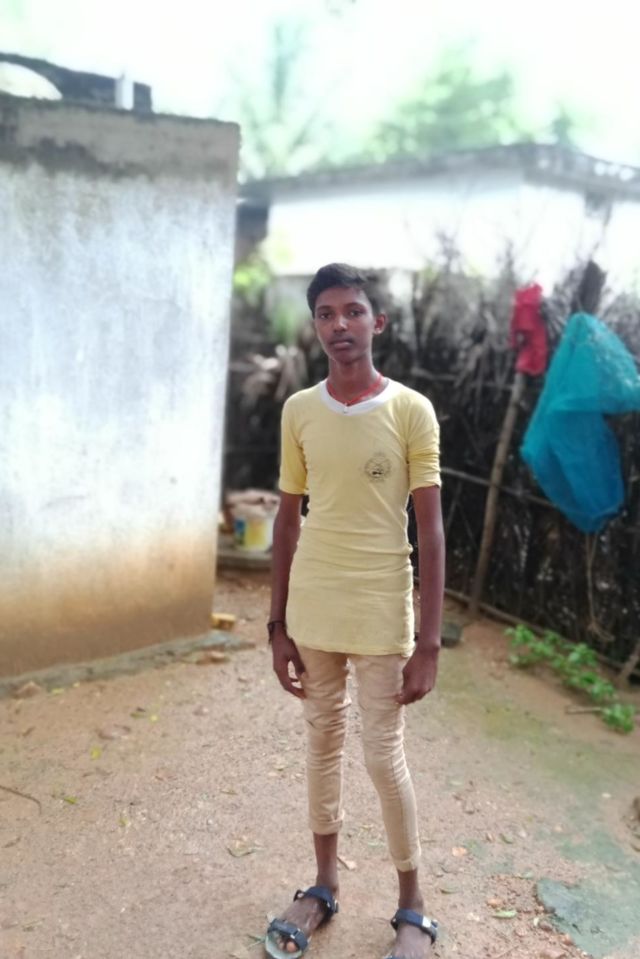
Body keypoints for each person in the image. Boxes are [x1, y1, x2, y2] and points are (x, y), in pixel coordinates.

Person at [265, 263, 445, 959]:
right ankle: (323, 885)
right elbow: (287, 521)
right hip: (313, 608)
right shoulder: (299, 410)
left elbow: (430, 529)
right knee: (321, 742)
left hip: (380, 608)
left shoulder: (410, 410)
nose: (340, 324)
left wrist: (429, 642)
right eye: (326, 313)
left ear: (378, 322)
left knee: (382, 754)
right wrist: (277, 624)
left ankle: (413, 906)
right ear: (315, 326)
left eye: (353, 311)